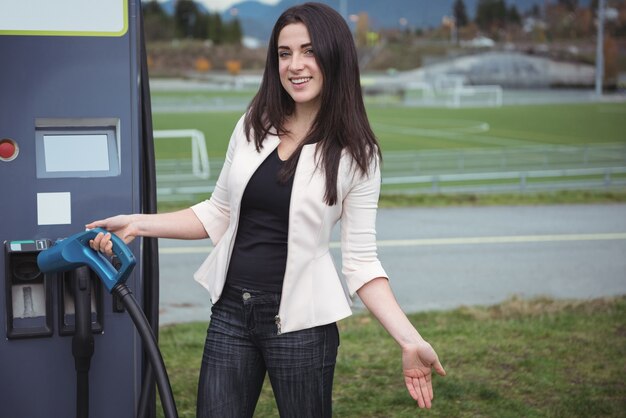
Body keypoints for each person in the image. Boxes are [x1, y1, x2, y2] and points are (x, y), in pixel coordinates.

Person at [88, 2, 445, 417]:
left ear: (335, 56)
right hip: (230, 316)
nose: (295, 65)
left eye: (309, 51)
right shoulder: (255, 123)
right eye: (284, 53)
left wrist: (408, 339)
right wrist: (138, 223)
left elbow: (361, 263)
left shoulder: (357, 155)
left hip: (302, 327)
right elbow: (218, 213)